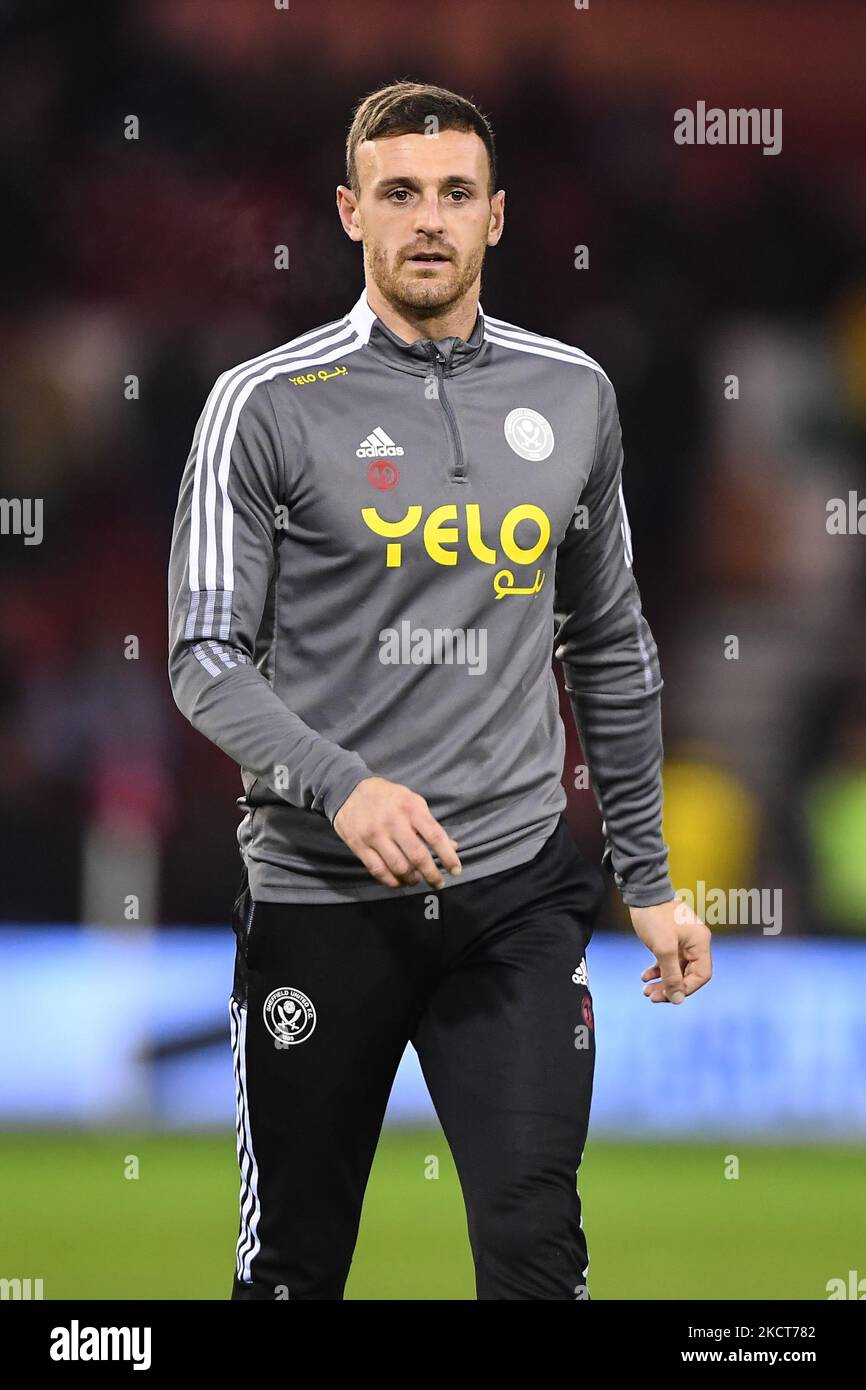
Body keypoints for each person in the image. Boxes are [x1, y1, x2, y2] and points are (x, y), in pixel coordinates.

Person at [167, 80, 712, 1301]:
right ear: (350, 211)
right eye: (400, 193)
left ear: (498, 216)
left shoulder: (572, 392)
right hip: (319, 895)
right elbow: (203, 656)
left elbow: (611, 642)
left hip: (512, 899)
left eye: (455, 194)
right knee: (292, 1272)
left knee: (535, 1258)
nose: (429, 218)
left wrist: (651, 873)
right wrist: (341, 786)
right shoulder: (260, 405)